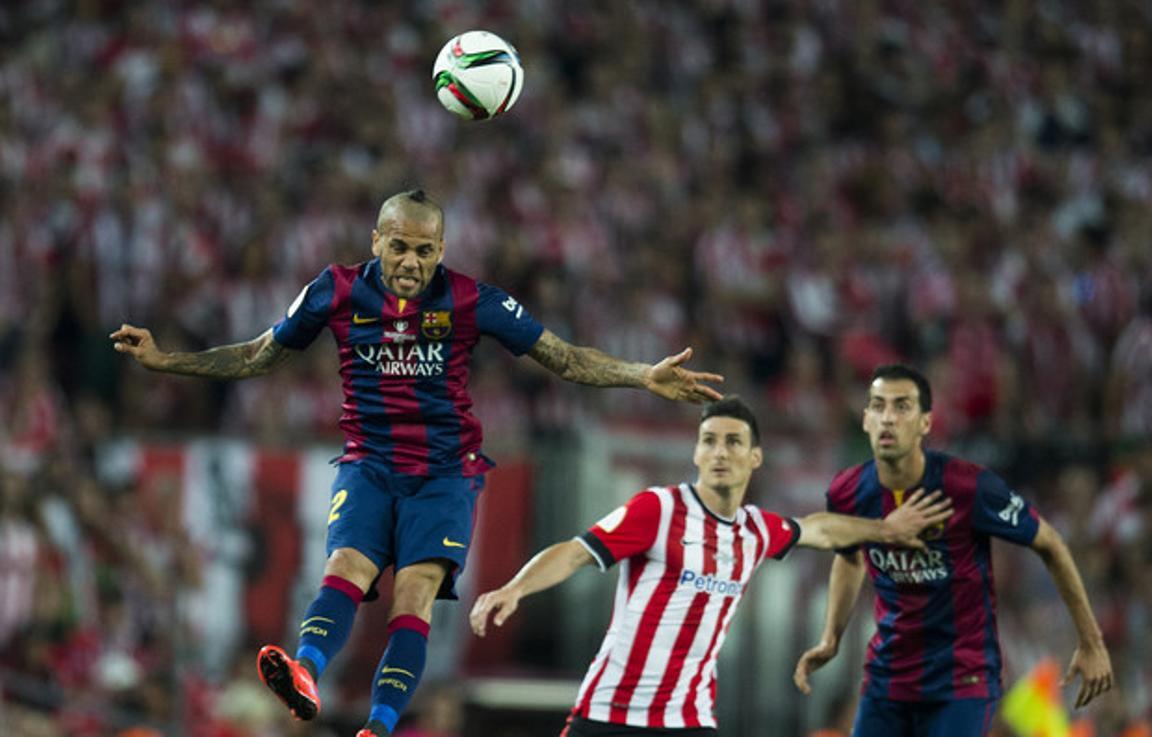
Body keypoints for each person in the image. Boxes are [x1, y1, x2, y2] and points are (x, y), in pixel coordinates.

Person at [110, 190, 725, 737]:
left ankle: (378, 727)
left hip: (445, 474)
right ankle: (305, 669)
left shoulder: (471, 301)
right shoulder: (336, 290)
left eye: (425, 250)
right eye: (399, 246)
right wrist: (168, 362)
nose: (411, 261)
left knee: (416, 589)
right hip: (369, 463)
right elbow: (257, 355)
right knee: (347, 564)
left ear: (442, 248)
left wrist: (644, 375)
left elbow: (564, 358)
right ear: (376, 240)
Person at [470, 396, 953, 736]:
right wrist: (516, 587)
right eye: (710, 440)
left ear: (755, 457)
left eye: (733, 442)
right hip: (609, 713)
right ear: (697, 453)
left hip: (688, 719)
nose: (720, 451)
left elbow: (821, 530)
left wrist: (886, 530)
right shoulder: (657, 510)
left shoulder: (758, 530)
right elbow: (576, 550)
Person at [792, 364, 1114, 737]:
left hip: (962, 679)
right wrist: (831, 637)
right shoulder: (848, 491)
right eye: (878, 406)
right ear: (865, 419)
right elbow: (849, 557)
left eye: (902, 407)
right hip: (889, 676)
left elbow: (1051, 544)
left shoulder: (967, 487)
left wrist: (1091, 642)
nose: (888, 418)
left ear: (926, 422)